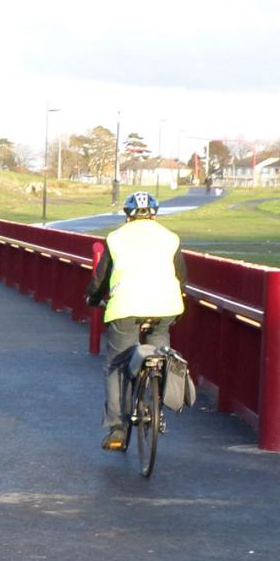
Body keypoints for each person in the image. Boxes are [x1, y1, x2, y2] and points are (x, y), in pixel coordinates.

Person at [84, 191, 186, 451]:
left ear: (128, 214)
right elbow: (181, 277)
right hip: (166, 305)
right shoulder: (170, 238)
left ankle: (117, 429)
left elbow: (102, 277)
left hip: (126, 306)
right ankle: (156, 404)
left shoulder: (116, 238)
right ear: (155, 213)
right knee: (160, 351)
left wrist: (93, 298)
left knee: (117, 365)